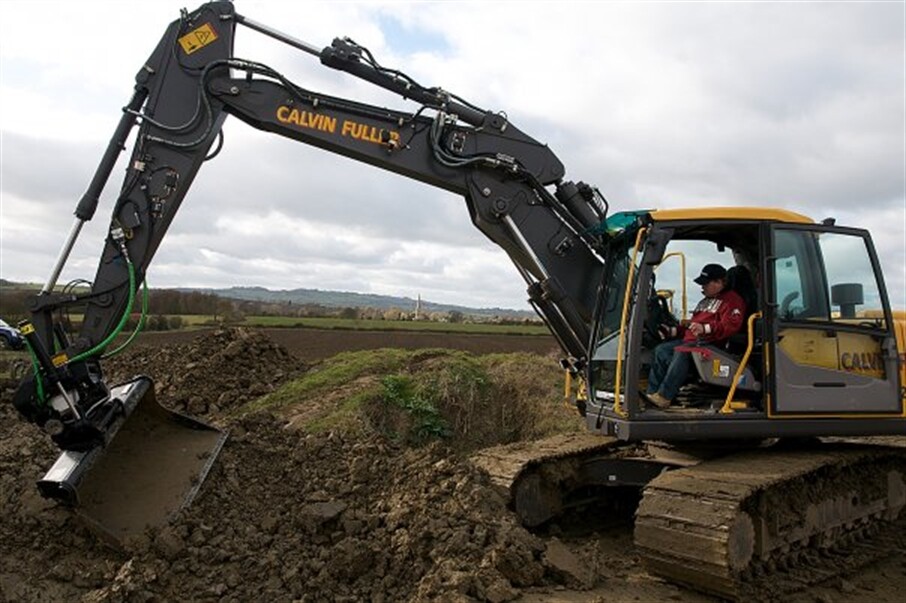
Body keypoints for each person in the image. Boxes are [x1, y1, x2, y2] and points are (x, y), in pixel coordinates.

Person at [644, 263, 746, 409]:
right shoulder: (705, 302)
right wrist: (673, 331)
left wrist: (705, 328)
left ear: (719, 282)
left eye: (705, 283)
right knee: (662, 350)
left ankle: (664, 396)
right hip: (693, 342)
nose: (702, 287)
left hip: (712, 344)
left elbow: (730, 326)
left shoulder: (732, 301)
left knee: (682, 351)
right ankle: (651, 394)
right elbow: (692, 326)